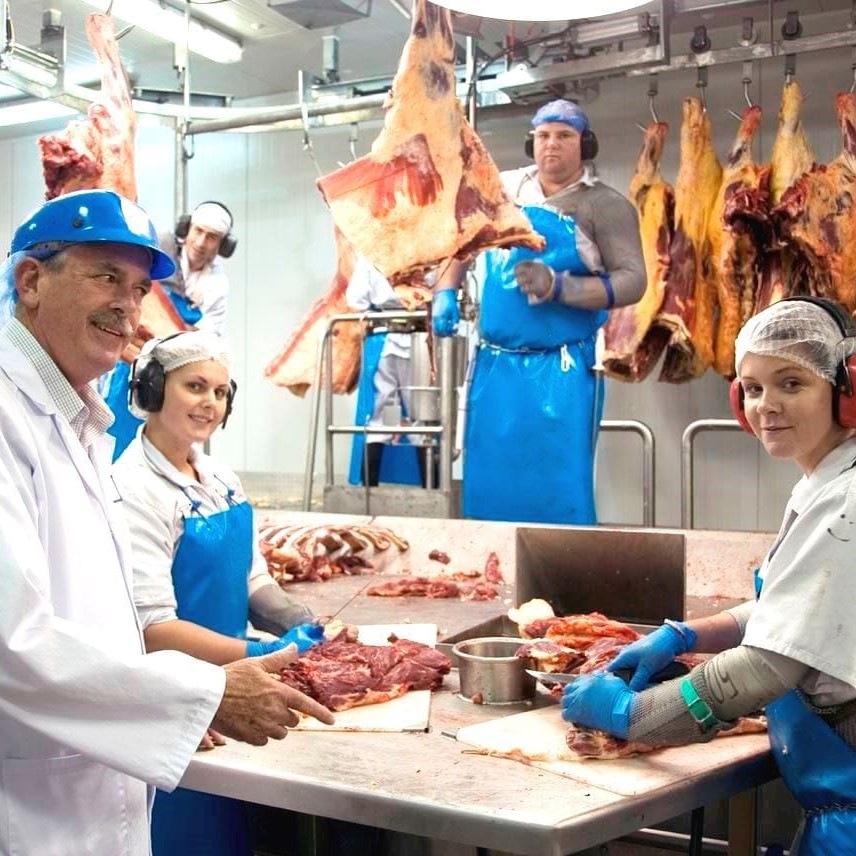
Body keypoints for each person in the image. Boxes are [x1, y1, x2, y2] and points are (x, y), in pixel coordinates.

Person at [0, 189, 334, 856]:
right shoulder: (10, 420)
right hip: (32, 807)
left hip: (103, 773)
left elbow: (107, 615)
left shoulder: (81, 424)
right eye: (105, 277)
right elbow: (13, 643)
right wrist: (197, 694)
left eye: (136, 286)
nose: (127, 304)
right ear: (31, 281)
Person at [561, 297, 856, 853]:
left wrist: (631, 714)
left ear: (846, 391)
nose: (766, 405)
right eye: (752, 387)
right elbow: (791, 611)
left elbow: (764, 667)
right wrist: (688, 633)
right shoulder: (825, 483)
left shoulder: (848, 501)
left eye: (791, 383)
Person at [113, 329, 325, 855]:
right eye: (195, 387)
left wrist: (293, 617)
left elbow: (252, 578)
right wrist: (260, 652)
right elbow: (154, 629)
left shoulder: (219, 475)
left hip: (243, 685)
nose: (210, 403)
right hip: (180, 694)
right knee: (195, 833)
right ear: (154, 392)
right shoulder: (132, 486)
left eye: (221, 391)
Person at [431, 98, 645, 524]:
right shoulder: (502, 189)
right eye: (544, 135)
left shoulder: (603, 205)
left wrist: (562, 287)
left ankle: (561, 575)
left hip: (562, 369)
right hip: (494, 367)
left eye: (564, 136)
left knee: (558, 488)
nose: (552, 145)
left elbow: (632, 280)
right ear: (532, 141)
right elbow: (461, 241)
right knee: (488, 485)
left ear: (585, 144)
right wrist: (445, 290)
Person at [103, 200, 236, 458]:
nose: (201, 242)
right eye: (198, 231)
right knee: (117, 435)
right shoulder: (157, 252)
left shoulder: (217, 284)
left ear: (223, 245)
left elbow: (207, 340)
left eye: (211, 237)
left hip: (180, 366)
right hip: (134, 362)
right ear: (186, 229)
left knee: (171, 442)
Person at [345, 254, 423, 488]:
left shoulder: (373, 250)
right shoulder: (427, 244)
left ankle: (370, 491)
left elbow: (356, 299)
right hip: (419, 341)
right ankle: (432, 490)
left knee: (380, 415)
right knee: (422, 415)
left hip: (384, 339)